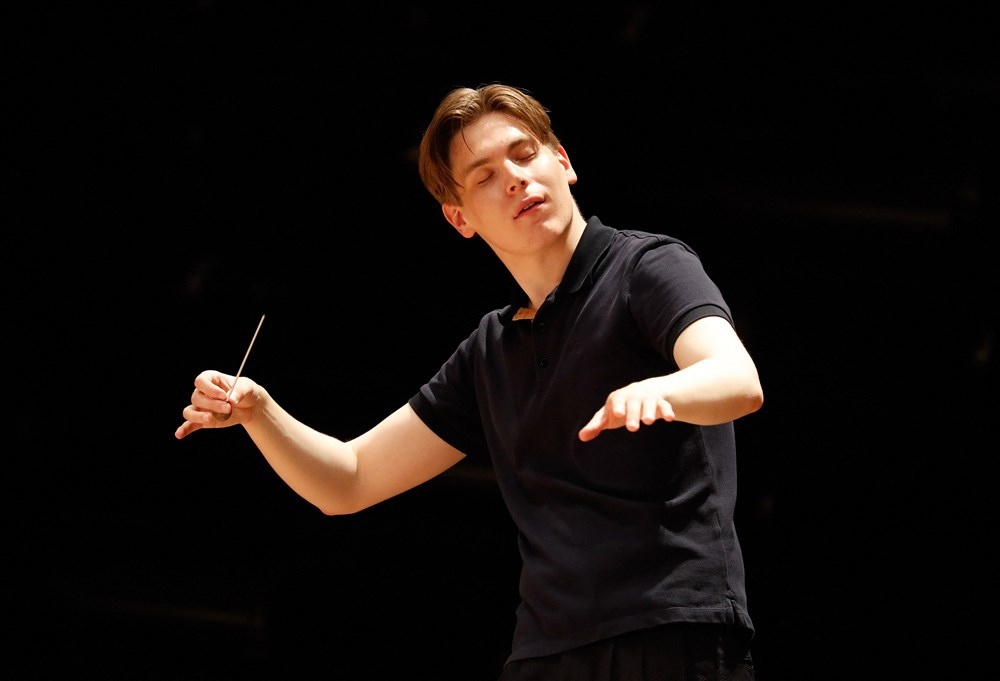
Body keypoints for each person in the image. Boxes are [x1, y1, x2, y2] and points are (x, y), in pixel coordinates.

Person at [176, 83, 764, 680]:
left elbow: (737, 378)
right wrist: (258, 412)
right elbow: (347, 482)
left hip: (669, 633)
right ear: (459, 217)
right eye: (483, 176)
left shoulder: (648, 268)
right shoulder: (492, 349)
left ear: (563, 162)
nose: (513, 178)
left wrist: (662, 391)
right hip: (545, 653)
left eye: (525, 153)